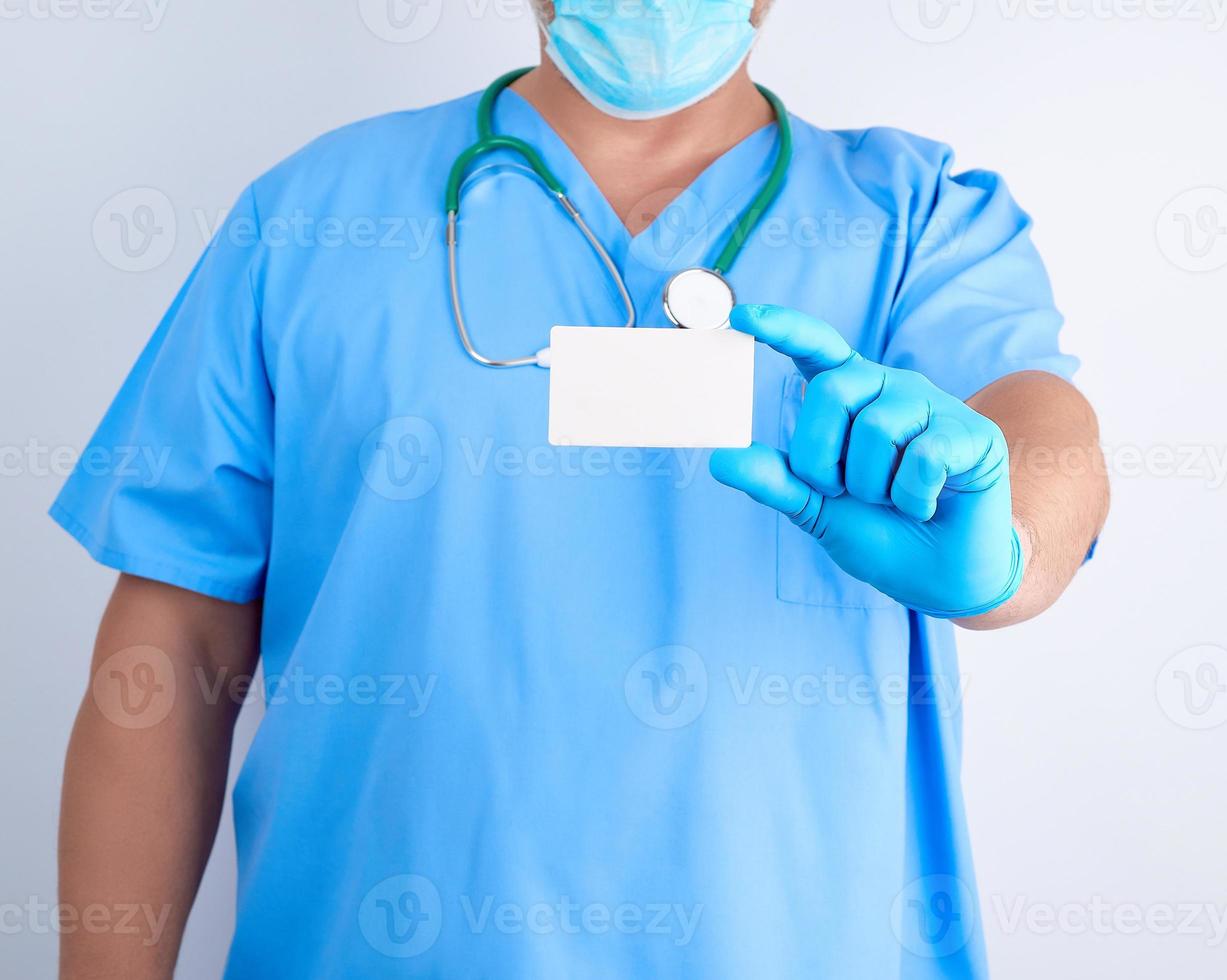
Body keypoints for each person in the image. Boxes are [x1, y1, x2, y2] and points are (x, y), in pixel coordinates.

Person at [53, 1, 1109, 977]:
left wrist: (1009, 538)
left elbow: (1046, 429)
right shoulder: (314, 217)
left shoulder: (913, 218)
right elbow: (172, 647)